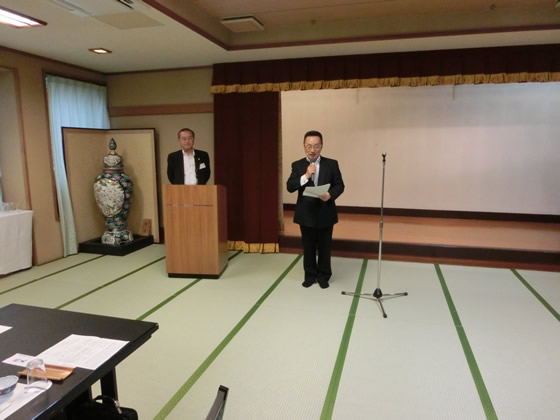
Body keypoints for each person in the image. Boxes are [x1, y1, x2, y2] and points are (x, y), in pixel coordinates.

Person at [286, 130, 345, 289]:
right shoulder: (297, 165)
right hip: (306, 213)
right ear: (304, 146)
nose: (312, 150)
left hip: (326, 211)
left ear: (321, 146)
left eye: (316, 146)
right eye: (309, 146)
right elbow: (290, 187)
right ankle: (310, 275)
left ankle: (324, 276)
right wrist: (306, 176)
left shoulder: (331, 164)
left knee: (325, 247)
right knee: (308, 247)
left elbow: (340, 185)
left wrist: (330, 195)